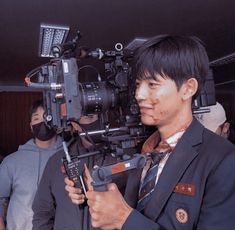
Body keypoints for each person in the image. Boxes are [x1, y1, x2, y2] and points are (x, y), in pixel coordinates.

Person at [65, 35, 235, 229]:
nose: (139, 95)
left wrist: (124, 219)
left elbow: (126, 217)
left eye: (152, 84)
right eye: (138, 84)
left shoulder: (223, 160)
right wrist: (94, 193)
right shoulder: (145, 149)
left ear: (188, 89)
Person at [32, 114, 128, 230]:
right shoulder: (56, 162)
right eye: (89, 116)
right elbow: (42, 213)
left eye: (100, 115)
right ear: (74, 124)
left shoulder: (125, 159)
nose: (97, 121)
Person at [0, 100, 63, 230]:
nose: (42, 122)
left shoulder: (72, 157)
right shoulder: (12, 162)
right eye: (36, 118)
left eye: (47, 117)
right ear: (30, 126)